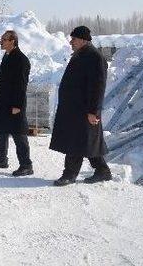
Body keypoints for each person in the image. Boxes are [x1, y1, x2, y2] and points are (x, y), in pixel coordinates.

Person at [50, 26, 111, 186]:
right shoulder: (81, 54)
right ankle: (103, 171)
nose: (71, 42)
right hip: (75, 109)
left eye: (74, 39)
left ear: (84, 40)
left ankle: (69, 174)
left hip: (84, 110)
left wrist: (94, 111)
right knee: (87, 141)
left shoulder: (95, 57)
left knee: (76, 142)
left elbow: (98, 86)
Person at [0, 30, 33, 176]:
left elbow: (21, 85)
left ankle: (26, 165)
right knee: (0, 130)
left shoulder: (21, 59)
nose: (1, 42)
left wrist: (17, 106)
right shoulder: (7, 56)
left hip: (14, 105)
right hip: (2, 103)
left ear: (12, 41)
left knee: (19, 134)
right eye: (1, 39)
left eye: (4, 39)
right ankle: (1, 159)